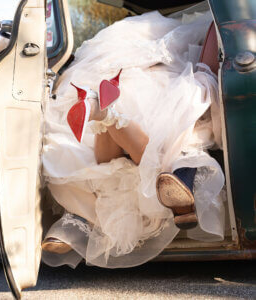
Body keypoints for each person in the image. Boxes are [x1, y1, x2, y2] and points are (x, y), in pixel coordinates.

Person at [41, 10, 225, 268]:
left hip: (119, 86)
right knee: (158, 151)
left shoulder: (142, 34)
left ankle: (104, 112)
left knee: (112, 166)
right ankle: (107, 113)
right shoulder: (212, 28)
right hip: (153, 94)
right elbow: (207, 73)